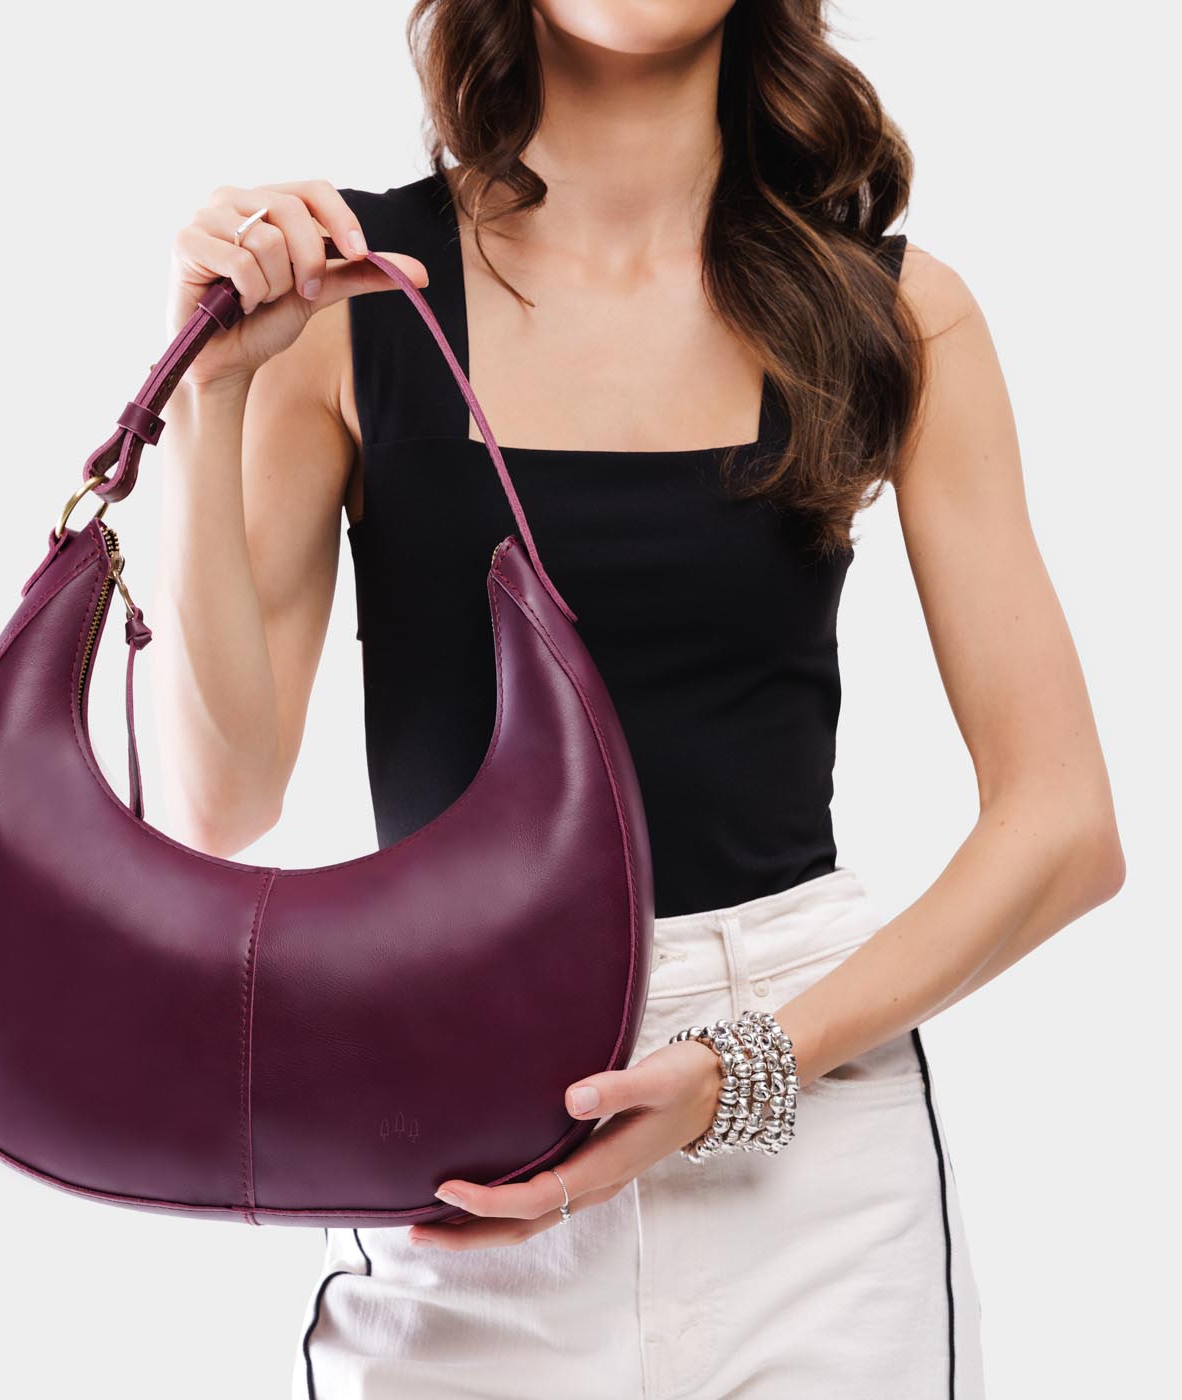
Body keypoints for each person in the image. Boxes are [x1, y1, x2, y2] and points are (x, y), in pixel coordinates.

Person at [151, 3, 1124, 1396]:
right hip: (462, 1143)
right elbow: (218, 799)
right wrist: (209, 398)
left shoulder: (894, 311)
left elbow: (1066, 826)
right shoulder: (354, 295)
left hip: (807, 1136)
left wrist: (743, 1069)